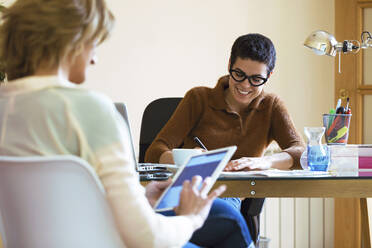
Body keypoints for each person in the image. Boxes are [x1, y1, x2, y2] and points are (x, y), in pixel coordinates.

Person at [0, 1, 253, 247]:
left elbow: (55, 210)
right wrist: (191, 218)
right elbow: (149, 240)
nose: (94, 59)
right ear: (72, 41)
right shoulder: (90, 110)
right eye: (94, 43)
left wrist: (141, 202)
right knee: (227, 222)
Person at [145, 33, 306, 241]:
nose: (245, 86)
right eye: (238, 74)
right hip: (186, 194)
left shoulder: (271, 106)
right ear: (229, 64)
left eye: (256, 79)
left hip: (229, 197)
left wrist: (264, 162)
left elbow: (301, 153)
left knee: (225, 216)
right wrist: (186, 159)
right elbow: (155, 151)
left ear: (270, 75)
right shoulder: (198, 98)